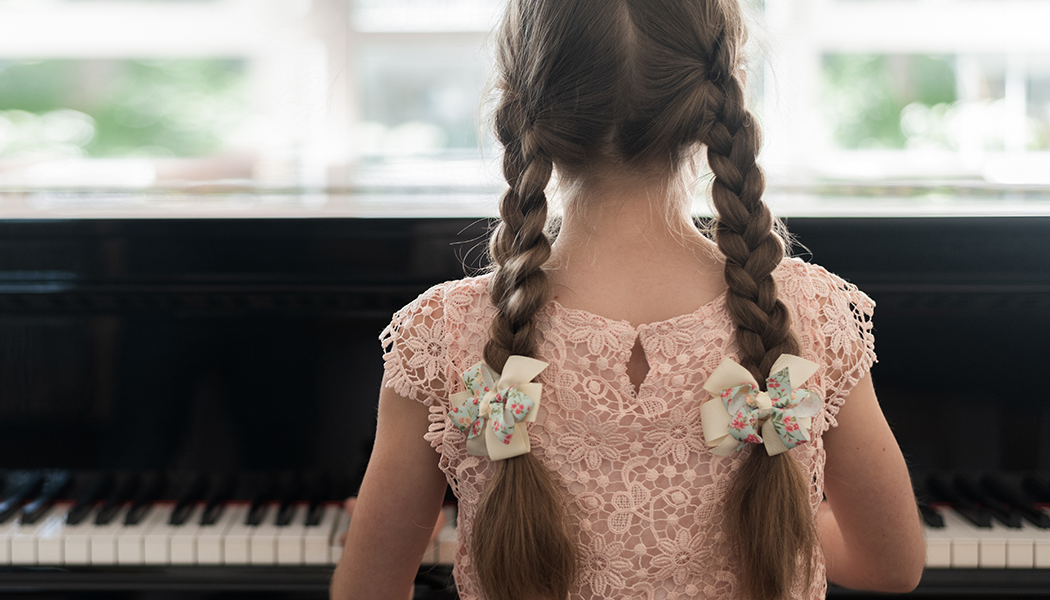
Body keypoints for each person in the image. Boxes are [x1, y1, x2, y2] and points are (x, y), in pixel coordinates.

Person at [330, 0, 926, 598]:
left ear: (515, 102)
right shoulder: (809, 314)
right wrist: (780, 522)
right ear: (725, 94)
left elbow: (366, 591)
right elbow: (892, 566)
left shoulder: (444, 334)